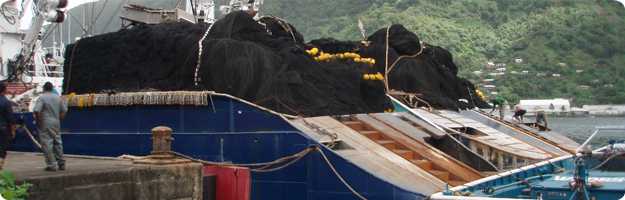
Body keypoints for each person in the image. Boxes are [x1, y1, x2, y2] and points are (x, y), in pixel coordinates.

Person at [34, 82, 68, 171]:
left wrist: (38, 121)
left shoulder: (42, 97)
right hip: (56, 122)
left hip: (45, 122)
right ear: (52, 88)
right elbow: (64, 111)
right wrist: (58, 119)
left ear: (44, 88)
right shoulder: (58, 98)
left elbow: (37, 111)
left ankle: (52, 165)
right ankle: (61, 163)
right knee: (58, 142)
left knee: (47, 144)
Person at [0, 82, 16, 170]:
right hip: (3, 128)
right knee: (2, 147)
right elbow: (10, 118)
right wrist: (13, 130)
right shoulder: (6, 102)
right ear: (4, 90)